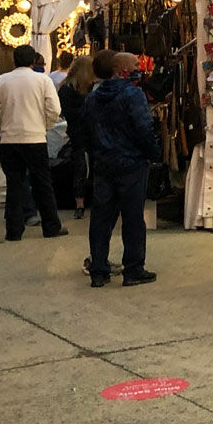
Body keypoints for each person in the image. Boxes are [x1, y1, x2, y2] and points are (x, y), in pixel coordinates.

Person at [84, 50, 159, 287]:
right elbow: (143, 128)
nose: (141, 66)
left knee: (101, 218)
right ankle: (133, 268)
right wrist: (153, 152)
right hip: (131, 163)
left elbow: (85, 131)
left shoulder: (93, 97)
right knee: (133, 218)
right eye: (136, 64)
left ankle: (98, 269)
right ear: (123, 69)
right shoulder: (133, 95)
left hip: (104, 164)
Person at [0, 45, 66, 241]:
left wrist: (5, 123)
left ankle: (13, 230)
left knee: (14, 185)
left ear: (14, 60)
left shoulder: (2, 80)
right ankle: (51, 226)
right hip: (35, 138)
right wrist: (44, 126)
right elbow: (54, 109)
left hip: (9, 140)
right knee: (43, 184)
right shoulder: (42, 80)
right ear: (33, 61)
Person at [57, 55, 96, 220]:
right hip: (84, 133)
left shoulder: (67, 89)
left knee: (82, 168)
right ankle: (83, 202)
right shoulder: (81, 90)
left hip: (79, 133)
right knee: (83, 168)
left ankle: (82, 202)